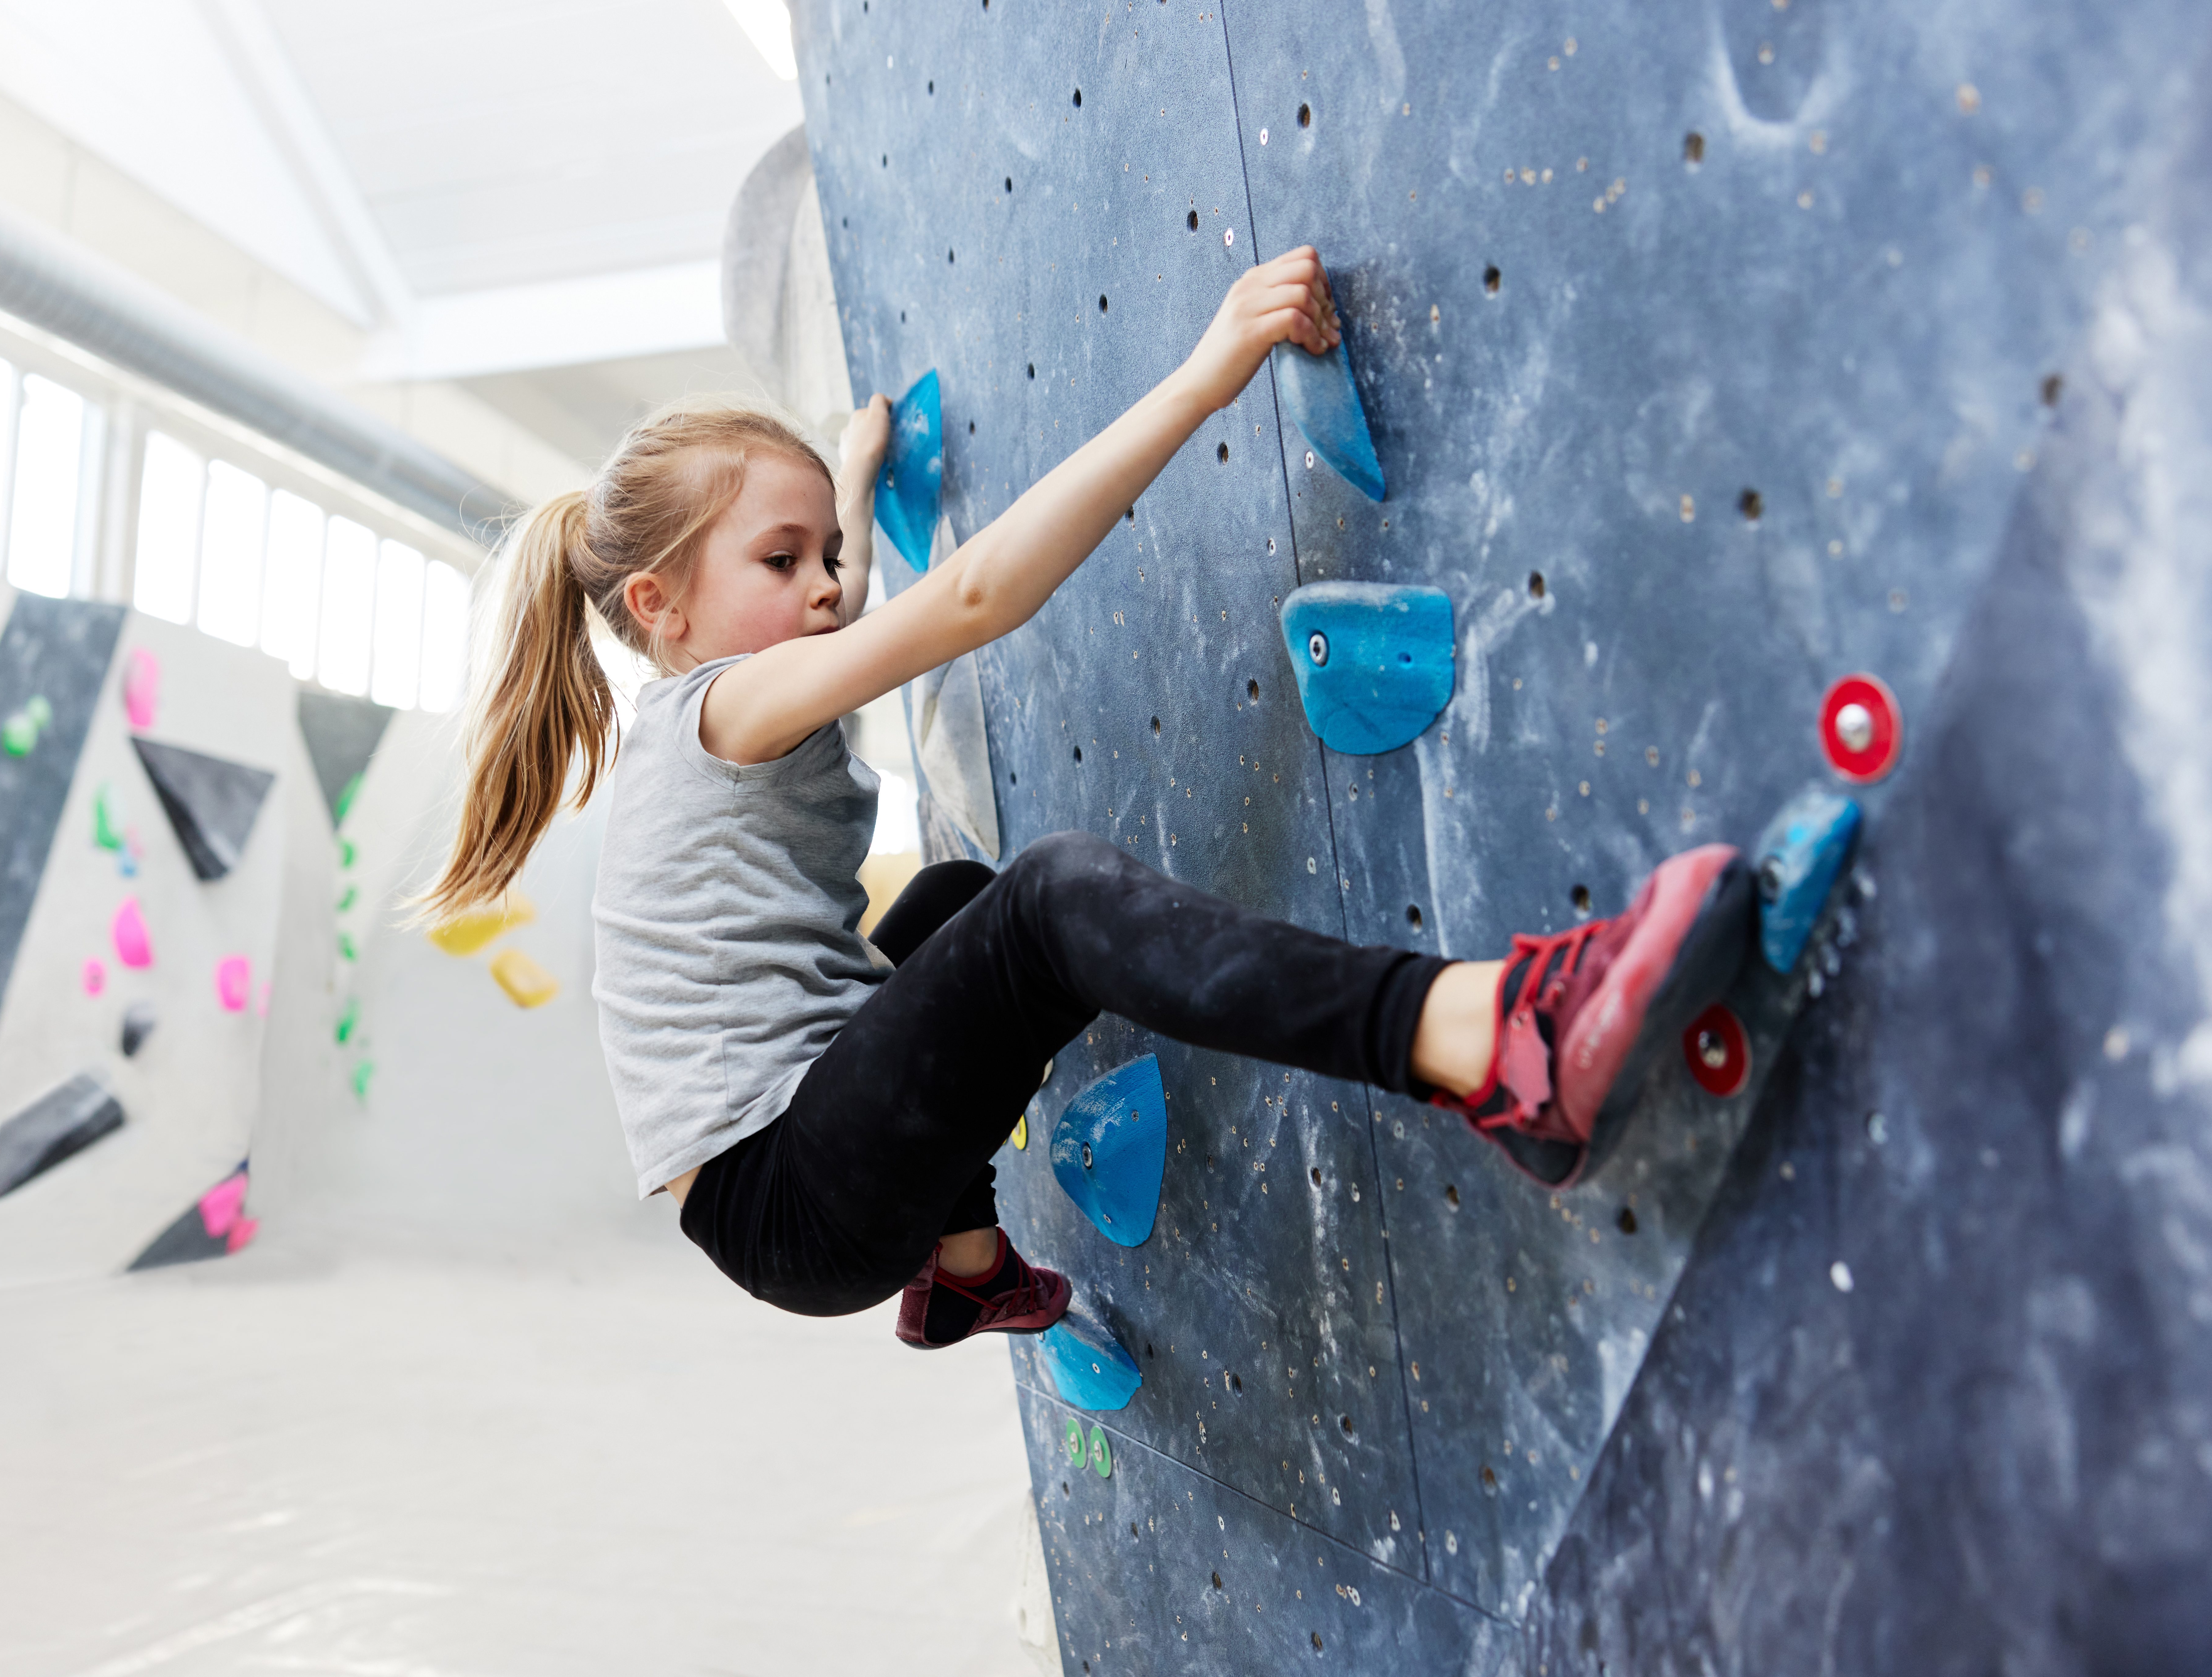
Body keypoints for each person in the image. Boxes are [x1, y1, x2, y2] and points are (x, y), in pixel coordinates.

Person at [420, 247, 1752, 1350]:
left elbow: (849, 618)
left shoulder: (730, 685)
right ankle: (1488, 1040)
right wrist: (1200, 376)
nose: (828, 583)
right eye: (786, 557)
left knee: (955, 903)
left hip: (790, 1170)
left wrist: (843, 465)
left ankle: (961, 1260)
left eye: (829, 551)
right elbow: (976, 598)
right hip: (792, 1195)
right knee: (1046, 902)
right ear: (656, 610)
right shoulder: (721, 705)